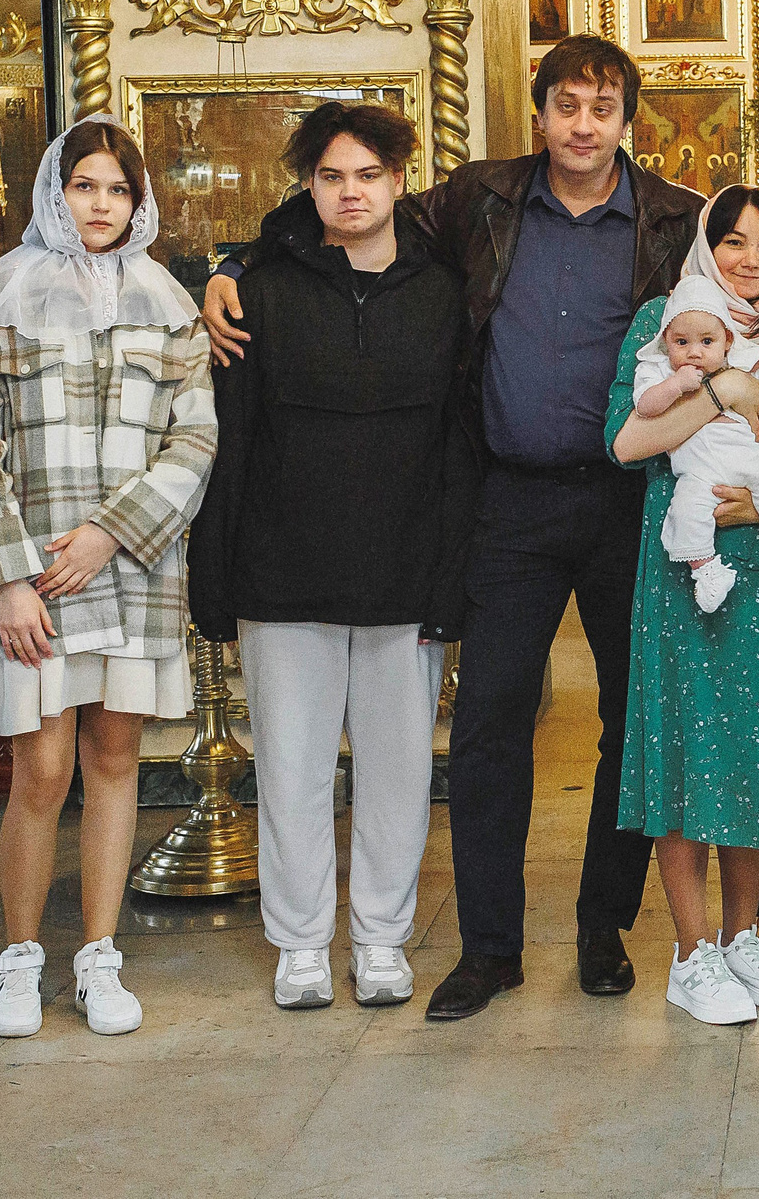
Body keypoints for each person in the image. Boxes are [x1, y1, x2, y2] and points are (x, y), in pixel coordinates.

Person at [201, 34, 702, 1021]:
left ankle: (603, 927)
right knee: (485, 726)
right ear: (543, 113)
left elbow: (739, 297)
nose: (583, 126)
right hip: (507, 498)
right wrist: (235, 261)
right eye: (566, 105)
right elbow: (345, 204)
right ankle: (489, 948)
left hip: (626, 498)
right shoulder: (478, 198)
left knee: (630, 719)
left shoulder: (674, 221)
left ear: (625, 119)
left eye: (602, 108)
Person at [186, 102, 477, 1013]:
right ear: (307, 186)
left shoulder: (443, 288)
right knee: (292, 765)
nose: (350, 193)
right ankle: (302, 943)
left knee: (398, 769)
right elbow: (235, 437)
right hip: (285, 566)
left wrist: (453, 572)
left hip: (405, 563)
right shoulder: (260, 289)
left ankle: (383, 940)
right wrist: (218, 575)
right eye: (330, 177)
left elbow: (459, 442)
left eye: (368, 175)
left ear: (399, 181)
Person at [0, 114, 216, 1039]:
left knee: (113, 761)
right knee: (41, 768)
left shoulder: (169, 303)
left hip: (131, 569)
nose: (101, 204)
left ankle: (99, 958)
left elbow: (196, 437)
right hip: (35, 581)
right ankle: (19, 963)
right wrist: (13, 578)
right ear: (53, 193)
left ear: (137, 203)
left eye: (118, 190)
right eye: (84, 186)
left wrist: (113, 532)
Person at [608, 188, 759, 1024]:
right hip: (683, 573)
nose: (751, 258)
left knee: (755, 749)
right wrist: (719, 393)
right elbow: (627, 442)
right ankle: (691, 952)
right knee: (689, 748)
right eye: (733, 241)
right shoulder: (667, 327)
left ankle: (743, 937)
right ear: (707, 249)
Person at [627, 272, 759, 613]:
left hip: (748, 456)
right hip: (697, 469)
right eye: (681, 342)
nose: (694, 353)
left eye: (707, 342)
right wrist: (674, 386)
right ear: (665, 341)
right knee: (686, 514)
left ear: (726, 341)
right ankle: (706, 572)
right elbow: (644, 406)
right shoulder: (658, 369)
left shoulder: (741, 360)